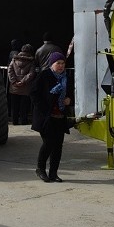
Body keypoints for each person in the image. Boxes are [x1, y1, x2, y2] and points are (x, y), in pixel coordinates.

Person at [31, 52, 71, 183]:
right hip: (46, 117)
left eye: (62, 63)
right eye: (58, 63)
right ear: (51, 64)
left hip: (60, 116)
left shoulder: (65, 77)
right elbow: (34, 94)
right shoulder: (44, 75)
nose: (60, 66)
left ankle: (53, 173)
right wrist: (44, 107)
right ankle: (40, 169)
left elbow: (70, 93)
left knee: (58, 146)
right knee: (48, 143)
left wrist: (68, 100)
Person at [7, 43, 36, 125]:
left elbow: (10, 71)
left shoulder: (14, 59)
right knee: (24, 105)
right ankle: (23, 121)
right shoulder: (31, 61)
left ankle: (14, 121)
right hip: (25, 87)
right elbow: (31, 74)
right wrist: (23, 81)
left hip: (14, 86)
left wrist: (14, 81)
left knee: (14, 105)